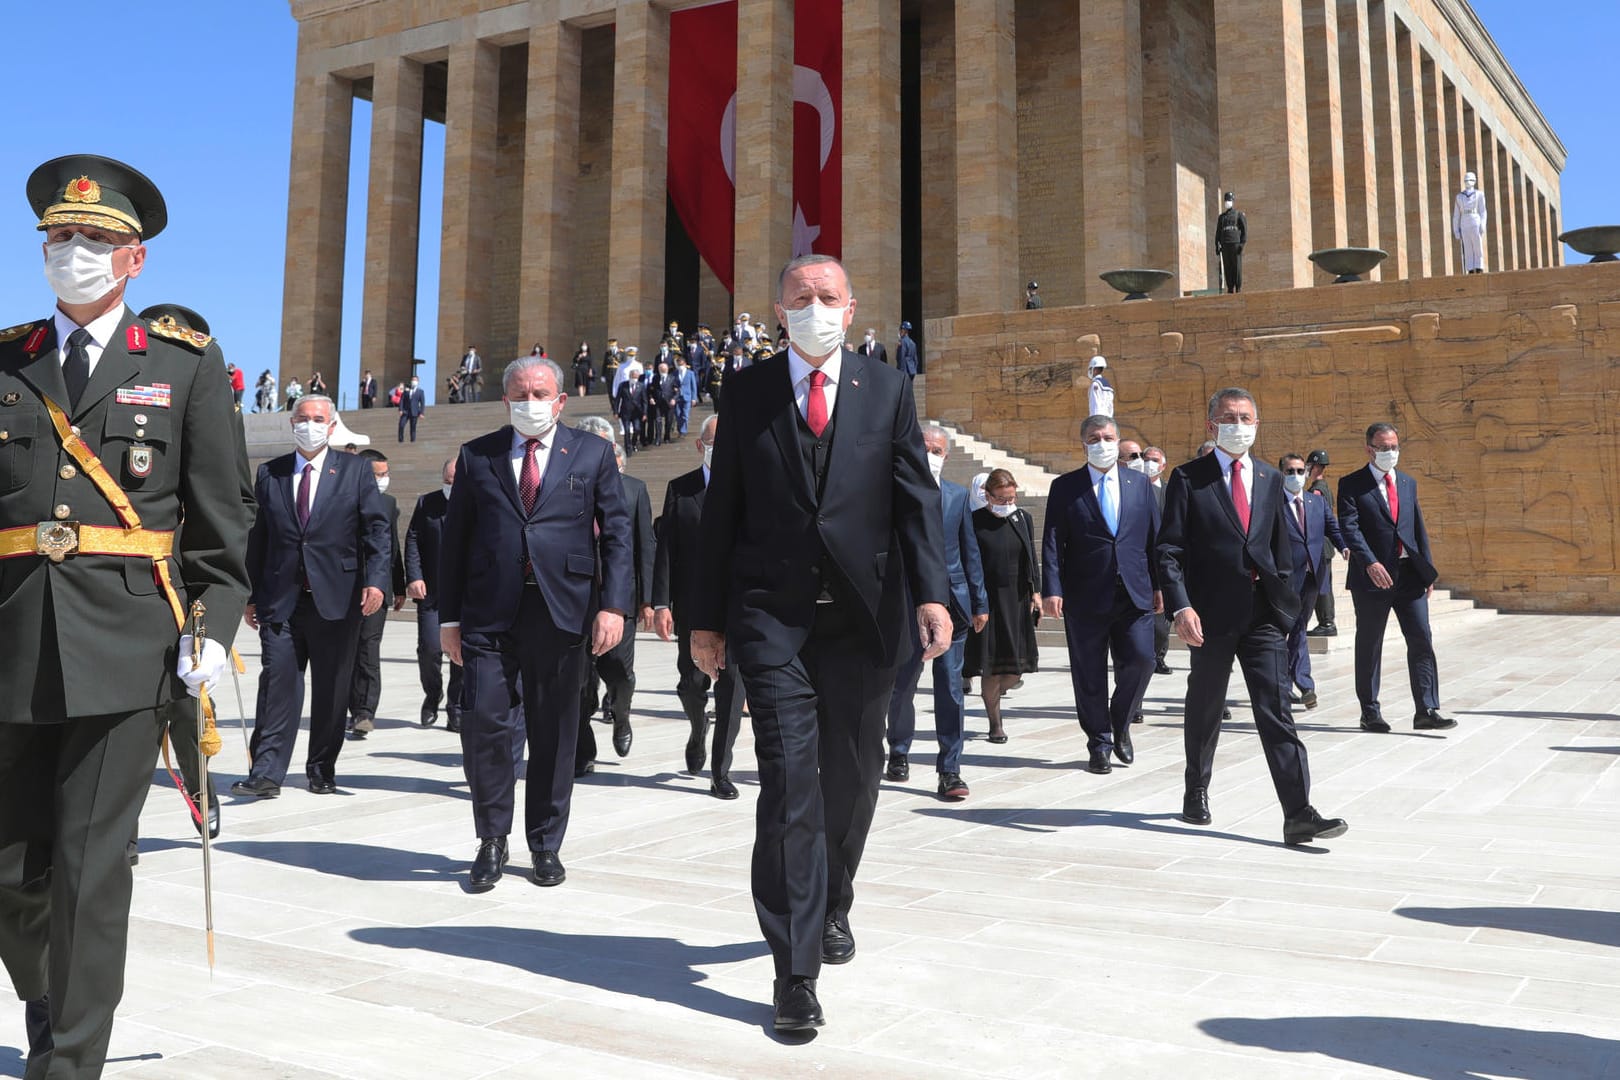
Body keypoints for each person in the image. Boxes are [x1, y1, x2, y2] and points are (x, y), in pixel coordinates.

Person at [0, 154, 253, 1076]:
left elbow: (223, 529)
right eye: (61, 238)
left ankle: (70, 1062)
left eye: (95, 240)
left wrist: (213, 634)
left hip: (127, 651)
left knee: (88, 872)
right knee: (11, 875)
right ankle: (50, 1006)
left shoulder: (182, 364)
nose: (74, 253)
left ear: (133, 261)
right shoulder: (8, 358)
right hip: (12, 644)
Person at [690, 255, 950, 1032]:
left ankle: (834, 899)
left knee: (855, 775)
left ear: (852, 305)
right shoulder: (746, 392)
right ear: (777, 310)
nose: (814, 307)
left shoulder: (889, 391)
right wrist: (706, 617)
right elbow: (721, 509)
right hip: (773, 619)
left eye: (826, 297)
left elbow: (916, 504)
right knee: (788, 784)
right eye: (800, 297)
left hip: (865, 619)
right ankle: (794, 971)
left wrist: (934, 594)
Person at [438, 356, 632, 892]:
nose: (530, 401)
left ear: (561, 400)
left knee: (554, 730)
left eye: (540, 392)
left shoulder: (591, 453)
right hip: (487, 614)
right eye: (520, 393)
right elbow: (454, 544)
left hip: (563, 611)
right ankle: (491, 840)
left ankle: (545, 842)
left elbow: (617, 534)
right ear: (505, 401)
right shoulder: (478, 456)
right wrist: (447, 619)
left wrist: (613, 607)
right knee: (486, 729)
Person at [1157, 386, 1347, 845]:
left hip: (1261, 615)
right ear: (1211, 426)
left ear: (1257, 425)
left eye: (1245, 417)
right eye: (1229, 417)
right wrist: (1180, 605)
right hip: (1209, 616)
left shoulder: (1268, 478)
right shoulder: (1189, 478)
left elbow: (1279, 545)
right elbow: (1168, 550)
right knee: (1205, 706)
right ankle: (1196, 789)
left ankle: (1298, 812)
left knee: (1276, 709)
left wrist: (1284, 607)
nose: (1237, 425)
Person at [237, 393, 390, 797]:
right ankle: (266, 773)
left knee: (331, 688)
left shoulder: (356, 470)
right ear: (291, 424)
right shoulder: (271, 473)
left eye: (318, 418)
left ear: (332, 425)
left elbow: (376, 530)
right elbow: (259, 537)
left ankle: (321, 766)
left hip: (338, 600)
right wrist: (250, 593)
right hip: (281, 599)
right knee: (277, 684)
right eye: (302, 417)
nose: (310, 424)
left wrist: (376, 580)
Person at [1042, 416, 1162, 774]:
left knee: (1143, 660)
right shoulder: (1065, 487)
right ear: (1083, 444)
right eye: (1094, 437)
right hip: (1085, 593)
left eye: (1108, 436)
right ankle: (1099, 742)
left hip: (1134, 591)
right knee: (1089, 672)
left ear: (1119, 440)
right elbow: (1051, 541)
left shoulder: (1140, 484)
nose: (1102, 442)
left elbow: (1156, 539)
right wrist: (1052, 588)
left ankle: (1120, 721)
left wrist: (1161, 585)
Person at [884, 426, 987, 799]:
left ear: (947, 456)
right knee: (903, 684)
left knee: (950, 689)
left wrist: (980, 602)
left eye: (938, 449)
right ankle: (898, 750)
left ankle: (951, 769)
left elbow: (969, 550)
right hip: (906, 604)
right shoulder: (892, 492)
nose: (932, 454)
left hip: (952, 605)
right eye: (925, 447)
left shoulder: (958, 497)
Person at [1338, 423, 1455, 733]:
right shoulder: (1351, 484)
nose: (1390, 452)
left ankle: (1427, 709)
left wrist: (1427, 570)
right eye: (1383, 447)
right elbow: (1350, 527)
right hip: (1372, 578)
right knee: (1370, 644)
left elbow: (1417, 527)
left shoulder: (1407, 482)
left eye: (1394, 446)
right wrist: (1370, 562)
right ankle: (1370, 711)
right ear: (1369, 449)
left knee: (1421, 640)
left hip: (1409, 577)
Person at [652, 416, 746, 797]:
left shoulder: (750, 486)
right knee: (691, 683)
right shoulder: (681, 489)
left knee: (732, 688)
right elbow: (667, 551)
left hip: (739, 606)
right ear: (699, 445)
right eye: (713, 441)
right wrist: (660, 603)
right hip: (693, 605)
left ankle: (720, 771)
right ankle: (697, 729)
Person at [573, 419, 653, 775]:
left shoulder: (633, 489)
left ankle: (621, 716)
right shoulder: (564, 484)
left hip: (620, 600)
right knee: (579, 682)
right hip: (574, 600)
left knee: (619, 673)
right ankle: (583, 749)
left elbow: (644, 547)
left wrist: (650, 599)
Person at [964, 469, 1040, 743]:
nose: (1008, 503)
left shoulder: (1022, 519)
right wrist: (975, 601)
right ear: (988, 495)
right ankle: (995, 722)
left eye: (1012, 498)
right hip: (988, 601)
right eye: (1002, 498)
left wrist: (1037, 592)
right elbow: (969, 563)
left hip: (1017, 600)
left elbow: (1031, 556)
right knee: (991, 666)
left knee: (1016, 669)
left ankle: (1000, 693)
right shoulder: (974, 521)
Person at [1277, 453, 1346, 710]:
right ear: (1281, 474)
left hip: (1311, 577)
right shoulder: (1273, 504)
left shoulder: (1315, 502)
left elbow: (1333, 527)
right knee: (1286, 630)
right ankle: (1300, 685)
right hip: (1284, 579)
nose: (1296, 476)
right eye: (1290, 471)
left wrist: (1345, 547)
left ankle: (1301, 684)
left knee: (1299, 629)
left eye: (1299, 471)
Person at [347, 449, 408, 738]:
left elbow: (391, 546)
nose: (382, 480)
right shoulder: (341, 498)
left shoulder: (388, 502)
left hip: (377, 588)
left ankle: (364, 712)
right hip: (344, 588)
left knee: (369, 648)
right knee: (346, 650)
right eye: (376, 474)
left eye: (385, 474)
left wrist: (398, 584)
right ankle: (348, 706)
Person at [405, 459, 462, 730]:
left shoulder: (478, 502)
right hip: (433, 593)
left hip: (465, 595)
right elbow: (413, 538)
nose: (451, 486)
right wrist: (414, 576)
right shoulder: (427, 503)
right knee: (429, 648)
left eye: (456, 482)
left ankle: (456, 707)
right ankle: (432, 694)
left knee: (462, 652)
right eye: (447, 482)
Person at [1304, 449, 1340, 636]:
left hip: (1319, 546)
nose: (1307, 469)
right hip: (1325, 545)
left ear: (1316, 466)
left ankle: (1326, 623)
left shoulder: (1316, 490)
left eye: (1309, 466)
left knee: (1322, 585)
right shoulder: (1325, 487)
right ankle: (1326, 621)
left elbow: (1314, 518)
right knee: (1324, 584)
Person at [1453, 172, 1487, 274]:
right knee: (1467, 247)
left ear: (1474, 181)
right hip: (1464, 221)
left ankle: (1479, 266)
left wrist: (1483, 224)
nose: (1468, 182)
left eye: (1470, 180)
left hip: (1475, 220)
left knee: (1477, 245)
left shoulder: (1479, 194)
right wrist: (1456, 230)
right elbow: (1456, 215)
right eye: (1466, 180)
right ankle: (1470, 268)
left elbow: (1482, 211)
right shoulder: (1459, 197)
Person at [613, 361, 647, 457]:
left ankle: (633, 442)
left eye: (636, 377)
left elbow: (644, 401)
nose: (635, 379)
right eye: (633, 377)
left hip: (637, 412)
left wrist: (644, 413)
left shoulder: (641, 386)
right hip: (625, 412)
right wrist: (616, 411)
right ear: (630, 376)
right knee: (627, 431)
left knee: (637, 429)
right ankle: (628, 449)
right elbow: (617, 399)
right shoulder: (623, 385)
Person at [1216, 191, 1246, 293]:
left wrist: (1242, 244)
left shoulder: (1239, 215)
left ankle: (1238, 287)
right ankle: (1230, 287)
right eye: (1226, 200)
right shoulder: (1222, 217)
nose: (1227, 202)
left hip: (1235, 244)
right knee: (1227, 267)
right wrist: (1217, 245)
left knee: (1236, 267)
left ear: (1233, 201)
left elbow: (1244, 230)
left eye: (1229, 200)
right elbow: (1218, 232)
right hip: (1225, 245)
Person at [674, 352, 697, 437]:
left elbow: (693, 387)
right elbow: (672, 384)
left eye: (681, 364)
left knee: (685, 415)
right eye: (678, 364)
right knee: (678, 414)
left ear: (685, 364)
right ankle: (680, 429)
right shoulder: (674, 373)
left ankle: (683, 431)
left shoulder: (690, 373)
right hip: (677, 397)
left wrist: (694, 398)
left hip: (687, 397)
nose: (680, 366)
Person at [397, 374, 425, 442]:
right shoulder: (406, 390)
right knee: (401, 425)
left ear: (418, 381)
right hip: (405, 411)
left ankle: (413, 441)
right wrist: (400, 409)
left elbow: (422, 403)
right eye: (413, 380)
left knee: (413, 428)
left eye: (415, 380)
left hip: (414, 412)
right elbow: (402, 400)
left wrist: (422, 413)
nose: (413, 381)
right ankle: (401, 440)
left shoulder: (420, 392)